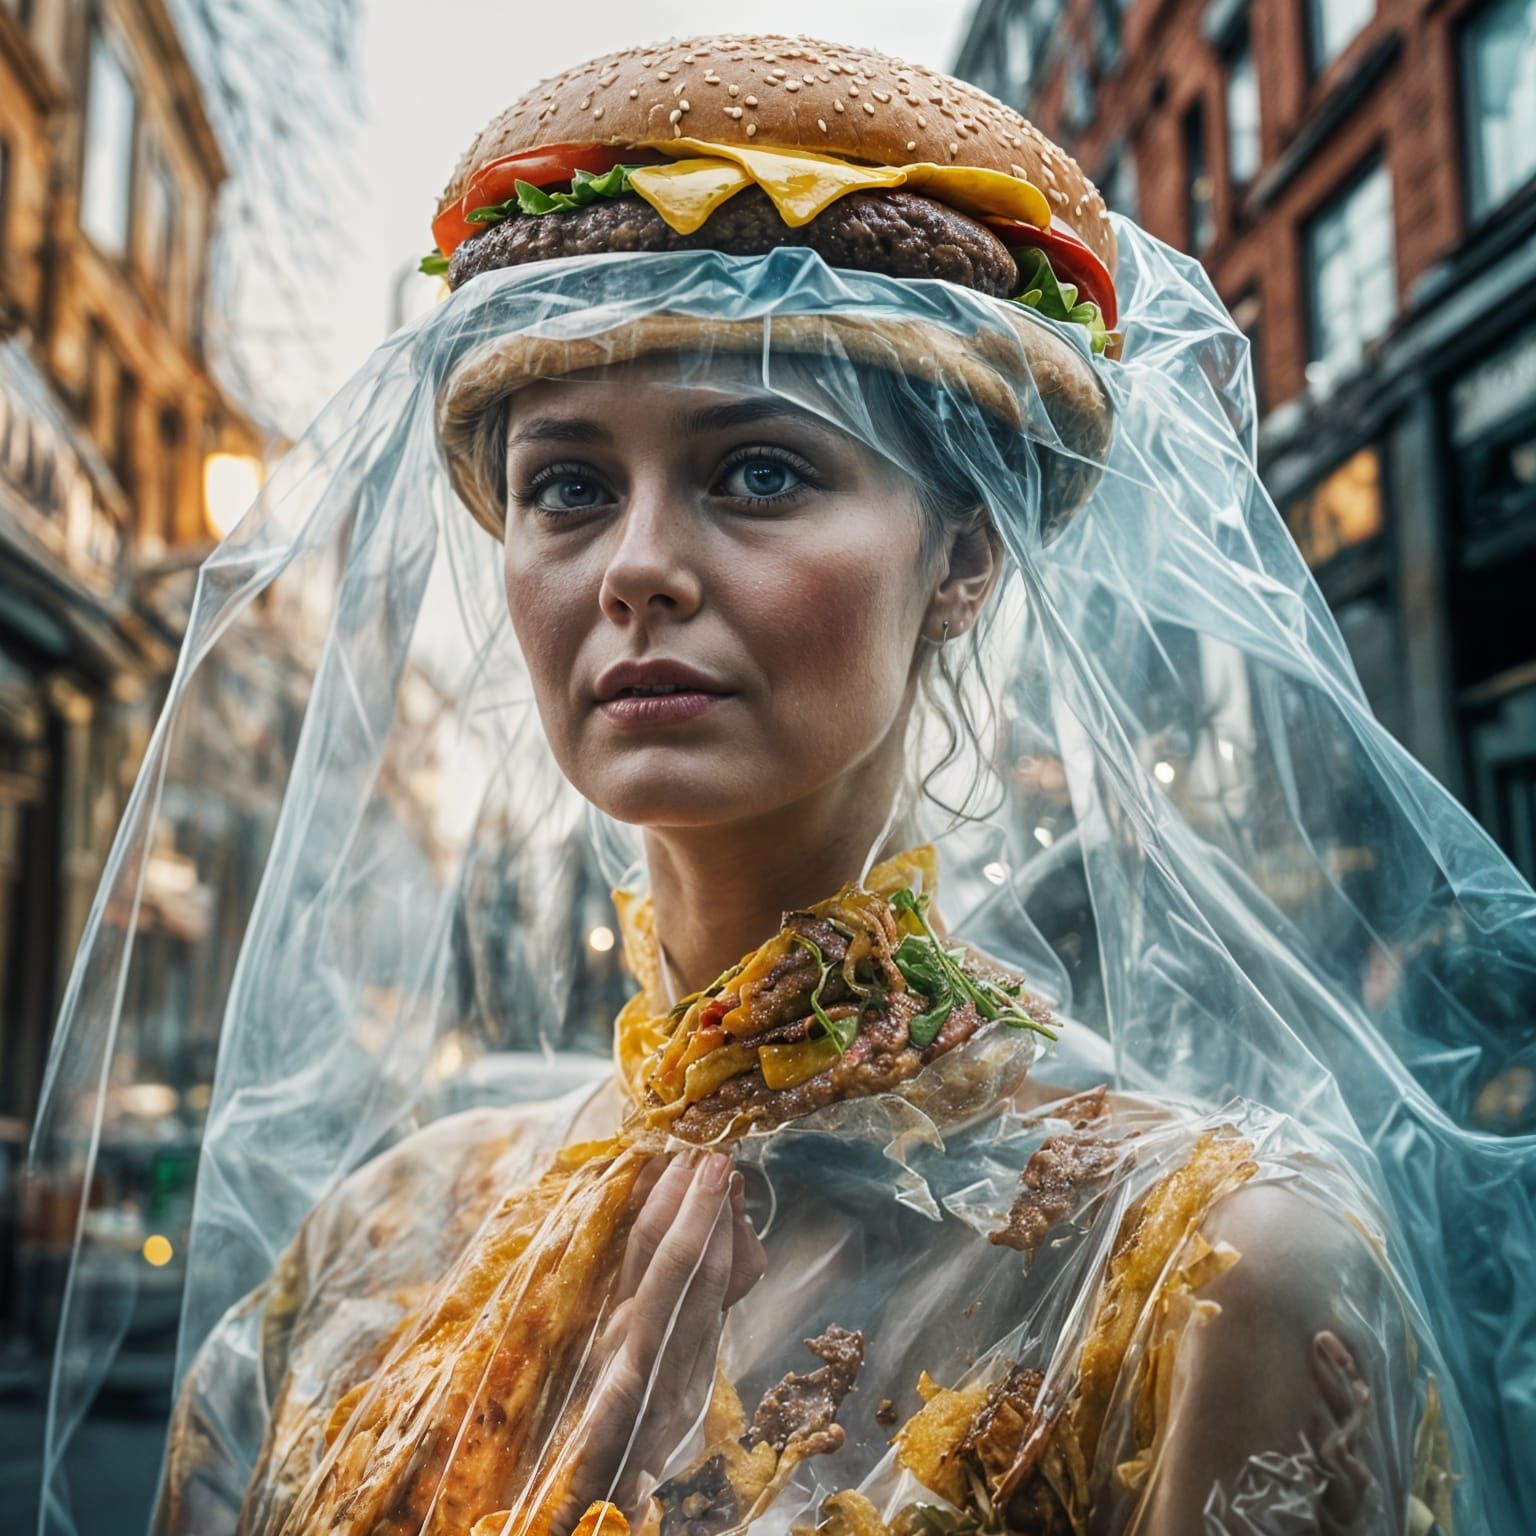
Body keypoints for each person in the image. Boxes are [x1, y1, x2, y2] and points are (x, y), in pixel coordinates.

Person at [31, 34, 1532, 1536]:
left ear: (964, 552)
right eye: (567, 486)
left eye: (758, 472)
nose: (634, 569)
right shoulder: (381, 1241)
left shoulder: (1209, 1273)